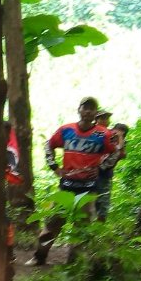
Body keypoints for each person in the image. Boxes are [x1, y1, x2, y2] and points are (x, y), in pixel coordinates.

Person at [26, 96, 115, 266]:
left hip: (89, 187)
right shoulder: (66, 130)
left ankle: (75, 264)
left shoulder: (103, 134)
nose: (88, 111)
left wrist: (102, 168)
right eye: (85, 107)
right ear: (79, 110)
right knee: (53, 222)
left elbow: (116, 151)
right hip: (66, 185)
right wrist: (54, 166)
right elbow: (49, 145)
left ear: (96, 113)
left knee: (82, 225)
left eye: (91, 108)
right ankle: (39, 257)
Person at [93, 114, 127, 222]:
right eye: (102, 118)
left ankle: (99, 226)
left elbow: (121, 154)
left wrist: (120, 138)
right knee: (90, 201)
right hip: (91, 172)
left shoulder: (121, 143)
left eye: (106, 119)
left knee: (103, 203)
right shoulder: (101, 134)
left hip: (105, 175)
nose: (117, 134)